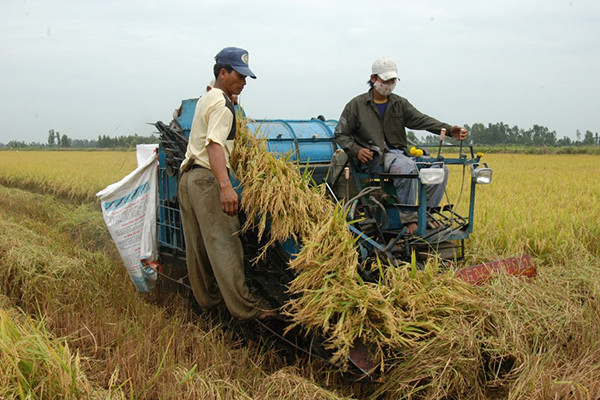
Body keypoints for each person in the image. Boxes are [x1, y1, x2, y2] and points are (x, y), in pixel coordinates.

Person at [178, 46, 275, 320]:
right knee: (225, 244)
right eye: (239, 76)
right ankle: (246, 308)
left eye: (246, 78)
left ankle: (209, 304)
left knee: (197, 249)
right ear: (223, 73)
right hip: (207, 181)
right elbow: (214, 145)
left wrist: (230, 94)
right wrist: (225, 186)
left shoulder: (207, 97)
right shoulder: (222, 105)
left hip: (188, 178)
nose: (244, 82)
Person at [334, 57, 468, 235]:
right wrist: (357, 150)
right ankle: (409, 220)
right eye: (385, 80)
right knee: (407, 168)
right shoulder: (356, 105)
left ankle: (426, 214)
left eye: (392, 80)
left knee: (439, 168)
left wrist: (450, 130)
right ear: (373, 78)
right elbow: (340, 133)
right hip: (374, 157)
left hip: (400, 154)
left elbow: (422, 119)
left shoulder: (399, 104)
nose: (389, 85)